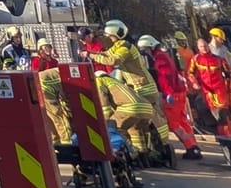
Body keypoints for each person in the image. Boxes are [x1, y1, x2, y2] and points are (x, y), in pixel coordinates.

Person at [85, 19, 169, 149]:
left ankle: (160, 146)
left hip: (143, 86)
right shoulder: (118, 46)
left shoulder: (125, 47)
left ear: (114, 34)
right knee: (137, 125)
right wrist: (91, 53)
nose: (106, 38)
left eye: (107, 35)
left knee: (148, 119)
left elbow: (113, 60)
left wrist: (92, 56)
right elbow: (106, 54)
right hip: (137, 86)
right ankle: (144, 150)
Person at [139, 34, 202, 160]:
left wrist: (168, 93)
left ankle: (190, 147)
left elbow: (165, 77)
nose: (145, 52)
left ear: (150, 47)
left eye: (145, 49)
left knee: (174, 124)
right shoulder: (164, 55)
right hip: (179, 92)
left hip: (172, 94)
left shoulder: (160, 59)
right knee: (183, 121)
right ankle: (193, 147)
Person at [94, 68, 156, 154]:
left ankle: (130, 153)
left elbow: (104, 103)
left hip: (132, 108)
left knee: (113, 129)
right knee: (134, 130)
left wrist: (107, 121)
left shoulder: (98, 80)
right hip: (147, 108)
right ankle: (142, 154)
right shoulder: (116, 82)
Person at [189, 36, 231, 137]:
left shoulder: (218, 59)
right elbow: (190, 73)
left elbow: (229, 73)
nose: (204, 48)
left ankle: (228, 136)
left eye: (205, 46)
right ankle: (215, 133)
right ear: (198, 47)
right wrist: (194, 82)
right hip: (206, 92)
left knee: (223, 114)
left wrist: (230, 85)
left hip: (219, 91)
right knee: (202, 109)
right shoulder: (195, 59)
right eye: (201, 46)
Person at [39, 67, 73, 143]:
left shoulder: (66, 73)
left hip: (38, 84)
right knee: (58, 115)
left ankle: (56, 141)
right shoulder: (74, 79)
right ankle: (67, 143)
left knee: (50, 116)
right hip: (44, 87)